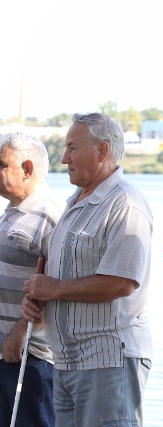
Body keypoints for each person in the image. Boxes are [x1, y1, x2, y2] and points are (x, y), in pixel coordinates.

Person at [21, 113, 153, 426]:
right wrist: (38, 301)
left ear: (102, 151)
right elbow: (61, 279)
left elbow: (121, 283)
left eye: (72, 148)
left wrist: (55, 289)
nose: (64, 158)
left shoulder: (125, 204)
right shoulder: (75, 203)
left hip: (108, 361)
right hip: (67, 362)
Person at [0, 133, 59, 427]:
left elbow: (57, 288)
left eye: (1, 164)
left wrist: (21, 332)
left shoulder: (50, 216)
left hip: (30, 357)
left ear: (27, 169)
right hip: (7, 354)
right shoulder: (12, 212)